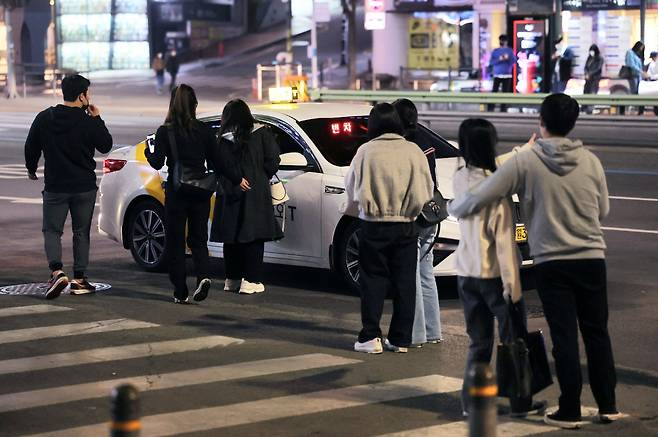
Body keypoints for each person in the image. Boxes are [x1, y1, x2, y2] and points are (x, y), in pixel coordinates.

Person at [448, 94, 620, 429]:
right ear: (572, 123)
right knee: (597, 332)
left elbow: (484, 191)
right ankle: (608, 405)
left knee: (565, 335)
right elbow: (603, 212)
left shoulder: (527, 160)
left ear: (541, 120)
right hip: (591, 258)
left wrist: (454, 208)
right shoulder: (591, 161)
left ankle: (569, 408)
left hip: (551, 262)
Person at [452, 118, 545, 418]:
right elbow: (505, 244)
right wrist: (513, 287)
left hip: (466, 274)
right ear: (489, 146)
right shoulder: (496, 197)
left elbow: (490, 168)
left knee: (479, 343)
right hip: (494, 277)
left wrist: (521, 152)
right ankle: (520, 402)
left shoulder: (460, 178)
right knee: (513, 341)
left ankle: (472, 404)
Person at [344, 103, 433, 354]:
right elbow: (426, 189)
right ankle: (400, 339)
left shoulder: (366, 151)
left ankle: (371, 337)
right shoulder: (413, 151)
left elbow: (351, 187)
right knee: (405, 283)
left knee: (373, 281)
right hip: (407, 225)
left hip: (373, 225)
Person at [24, 74, 113, 299]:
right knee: (81, 232)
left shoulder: (45, 118)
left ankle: (57, 271)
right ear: (82, 96)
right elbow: (106, 145)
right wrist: (98, 118)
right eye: (88, 93)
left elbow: (31, 145)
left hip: (56, 186)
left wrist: (31, 168)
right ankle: (79, 280)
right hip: (84, 187)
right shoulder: (87, 121)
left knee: (52, 230)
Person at [145, 84, 217, 304]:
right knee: (198, 238)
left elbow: (157, 162)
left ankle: (180, 290)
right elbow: (215, 160)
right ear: (194, 104)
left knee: (175, 241)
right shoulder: (204, 130)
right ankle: (203, 276)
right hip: (200, 191)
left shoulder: (166, 131)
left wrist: (150, 151)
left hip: (177, 192)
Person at [212, 99, 282, 295]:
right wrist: (260, 175)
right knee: (254, 236)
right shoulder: (261, 133)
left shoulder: (220, 138)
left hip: (229, 191)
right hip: (255, 189)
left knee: (231, 237)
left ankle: (231, 279)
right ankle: (250, 280)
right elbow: (273, 160)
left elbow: (217, 166)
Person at [392, 98, 443, 347]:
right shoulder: (424, 139)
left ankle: (416, 334)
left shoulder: (406, 144)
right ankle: (433, 331)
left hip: (414, 213)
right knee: (425, 273)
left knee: (409, 274)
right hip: (431, 212)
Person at [487, 34, 516, 112]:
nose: (502, 42)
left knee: (505, 93)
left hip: (507, 75)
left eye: (503, 40)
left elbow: (514, 61)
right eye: (501, 40)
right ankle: (490, 108)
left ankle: (503, 109)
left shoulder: (510, 51)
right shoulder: (496, 51)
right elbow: (491, 62)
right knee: (494, 92)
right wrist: (500, 59)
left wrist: (508, 58)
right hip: (497, 74)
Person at [620, 41, 649, 115]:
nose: (641, 49)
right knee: (633, 93)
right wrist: (641, 72)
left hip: (638, 76)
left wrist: (643, 73)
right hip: (633, 76)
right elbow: (631, 64)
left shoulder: (638, 55)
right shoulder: (630, 53)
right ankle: (622, 108)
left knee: (638, 93)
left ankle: (640, 111)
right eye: (640, 47)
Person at [583, 44, 604, 114]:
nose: (591, 52)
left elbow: (598, 69)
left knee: (592, 93)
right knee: (586, 92)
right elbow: (585, 67)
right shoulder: (589, 58)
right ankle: (584, 108)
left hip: (595, 79)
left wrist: (590, 74)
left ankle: (590, 109)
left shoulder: (600, 58)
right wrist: (586, 74)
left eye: (592, 51)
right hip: (588, 79)